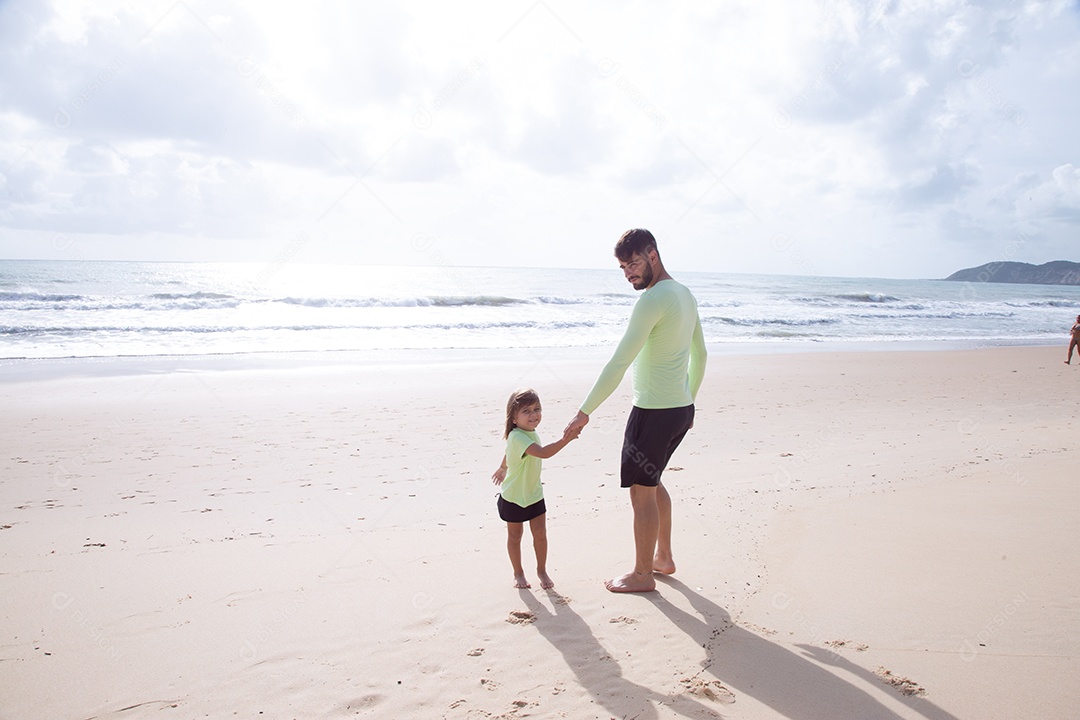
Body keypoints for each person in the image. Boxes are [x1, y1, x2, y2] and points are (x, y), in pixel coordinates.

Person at [565, 228, 707, 593]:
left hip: (654, 413)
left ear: (653, 255)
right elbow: (701, 355)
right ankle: (663, 557)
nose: (628, 272)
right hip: (679, 410)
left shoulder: (653, 300)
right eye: (623, 267)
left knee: (641, 493)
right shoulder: (685, 295)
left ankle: (643, 575)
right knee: (653, 480)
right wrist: (686, 397)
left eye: (633, 263)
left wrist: (585, 411)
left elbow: (619, 362)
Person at [492, 388, 580, 589]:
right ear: (514, 418)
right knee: (515, 537)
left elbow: (509, 453)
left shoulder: (528, 433)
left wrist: (502, 467)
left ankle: (541, 570)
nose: (533, 415)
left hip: (534, 494)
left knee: (540, 534)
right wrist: (567, 439)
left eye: (536, 409)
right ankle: (518, 572)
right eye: (526, 411)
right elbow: (543, 453)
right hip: (513, 496)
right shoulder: (517, 436)